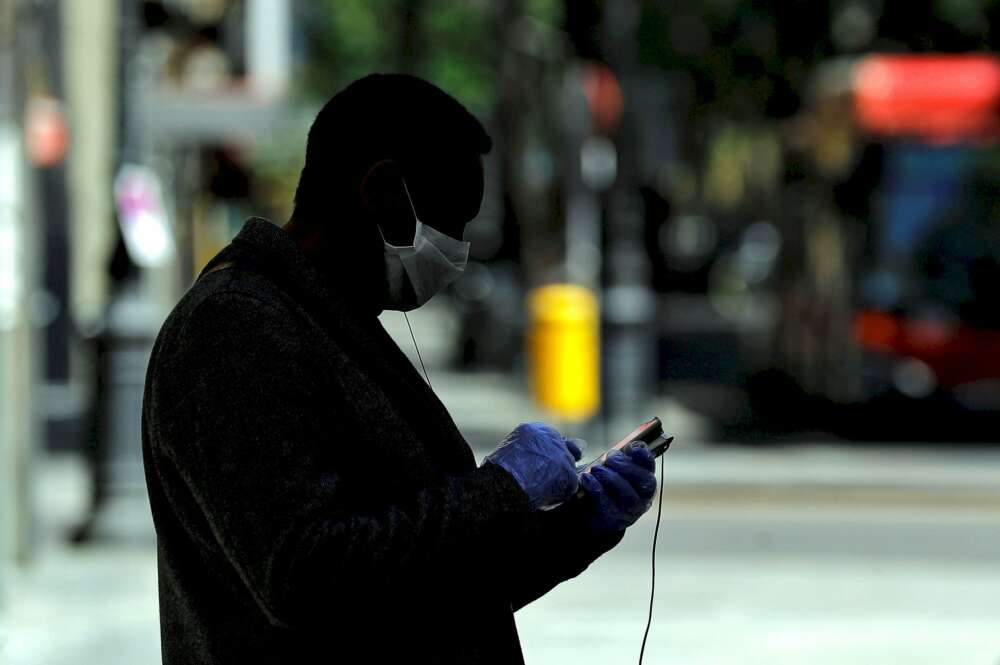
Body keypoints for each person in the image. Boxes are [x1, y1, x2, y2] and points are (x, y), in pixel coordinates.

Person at [141, 73, 658, 665]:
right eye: (453, 223)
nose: (458, 253)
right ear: (383, 191)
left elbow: (432, 583)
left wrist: (577, 527)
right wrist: (502, 488)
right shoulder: (235, 328)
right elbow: (309, 577)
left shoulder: (329, 317)